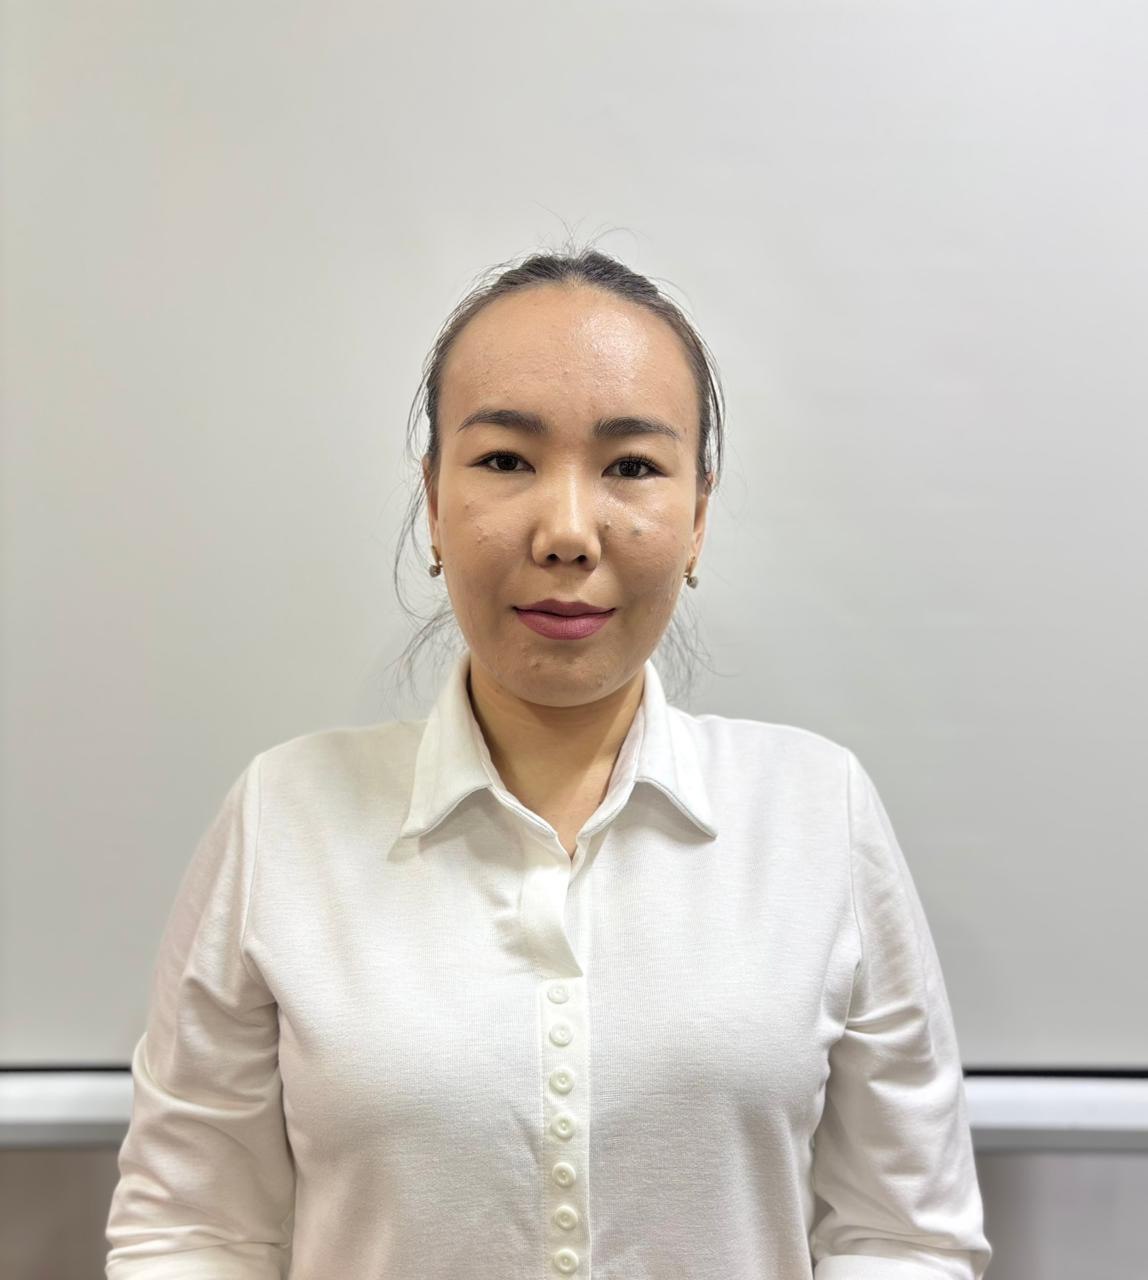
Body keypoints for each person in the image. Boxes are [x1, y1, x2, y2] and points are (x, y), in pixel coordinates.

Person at [105, 245, 992, 1279]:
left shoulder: (812, 810)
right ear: (433, 501)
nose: (568, 533)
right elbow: (192, 1230)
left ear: (697, 515)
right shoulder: (285, 815)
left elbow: (904, 1233)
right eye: (504, 460)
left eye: (631, 466)